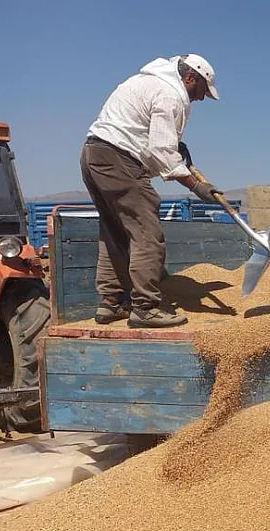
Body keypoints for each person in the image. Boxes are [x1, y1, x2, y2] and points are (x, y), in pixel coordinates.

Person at [81, 54, 222, 328]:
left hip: (92, 154)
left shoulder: (146, 81)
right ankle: (145, 307)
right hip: (119, 159)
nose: (202, 98)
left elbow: (146, 134)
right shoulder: (172, 94)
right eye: (202, 90)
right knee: (147, 234)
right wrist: (196, 186)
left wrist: (176, 148)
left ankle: (110, 303)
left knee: (114, 231)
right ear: (190, 78)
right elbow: (161, 151)